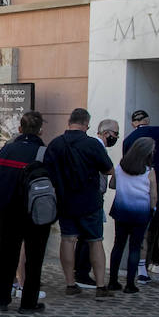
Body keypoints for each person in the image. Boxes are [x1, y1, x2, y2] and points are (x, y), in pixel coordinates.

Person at [46, 108, 114, 299]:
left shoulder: (56, 144)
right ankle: (101, 286)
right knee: (95, 241)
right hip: (90, 200)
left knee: (68, 240)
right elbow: (109, 169)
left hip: (65, 199)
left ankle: (70, 283)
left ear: (69, 122)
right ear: (86, 124)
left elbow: (47, 171)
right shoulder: (92, 144)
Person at [0, 110, 51, 314]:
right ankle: (28, 303)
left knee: (7, 255)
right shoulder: (44, 153)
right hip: (35, 213)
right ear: (41, 130)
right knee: (35, 258)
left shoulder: (7, 150)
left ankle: (2, 298)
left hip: (9, 211)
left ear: (19, 129)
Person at [123, 109, 159, 288]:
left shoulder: (128, 140)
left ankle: (142, 272)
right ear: (148, 120)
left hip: (140, 184)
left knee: (144, 228)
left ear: (133, 123)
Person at [73, 118, 120, 289]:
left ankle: (80, 270)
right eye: (115, 133)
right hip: (92, 196)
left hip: (87, 195)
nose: (116, 136)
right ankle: (82, 272)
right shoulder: (97, 147)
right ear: (106, 132)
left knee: (84, 237)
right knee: (90, 237)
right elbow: (105, 170)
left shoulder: (93, 146)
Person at [108, 137, 158, 293]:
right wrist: (152, 209)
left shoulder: (120, 167)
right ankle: (130, 284)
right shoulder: (149, 171)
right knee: (135, 247)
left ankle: (112, 281)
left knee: (118, 245)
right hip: (141, 211)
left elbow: (113, 185)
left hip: (122, 209)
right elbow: (154, 195)